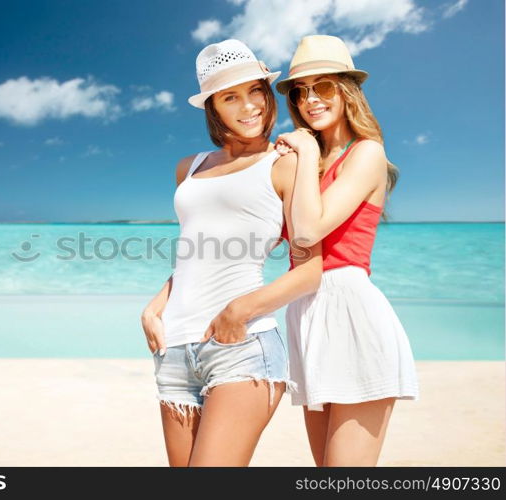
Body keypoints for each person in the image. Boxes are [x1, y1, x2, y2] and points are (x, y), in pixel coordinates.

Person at [140, 39, 322, 467]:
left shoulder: (284, 163)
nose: (248, 106)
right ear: (213, 108)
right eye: (230, 97)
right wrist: (155, 306)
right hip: (174, 350)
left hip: (241, 347)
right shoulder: (189, 167)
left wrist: (239, 311)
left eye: (255, 91)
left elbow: (310, 270)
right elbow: (198, 254)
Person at [274, 35, 419, 466]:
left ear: (347, 90)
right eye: (301, 91)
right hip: (305, 313)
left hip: (350, 311)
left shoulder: (367, 153)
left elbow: (309, 230)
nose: (310, 99)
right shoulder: (307, 161)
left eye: (323, 86)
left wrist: (300, 149)